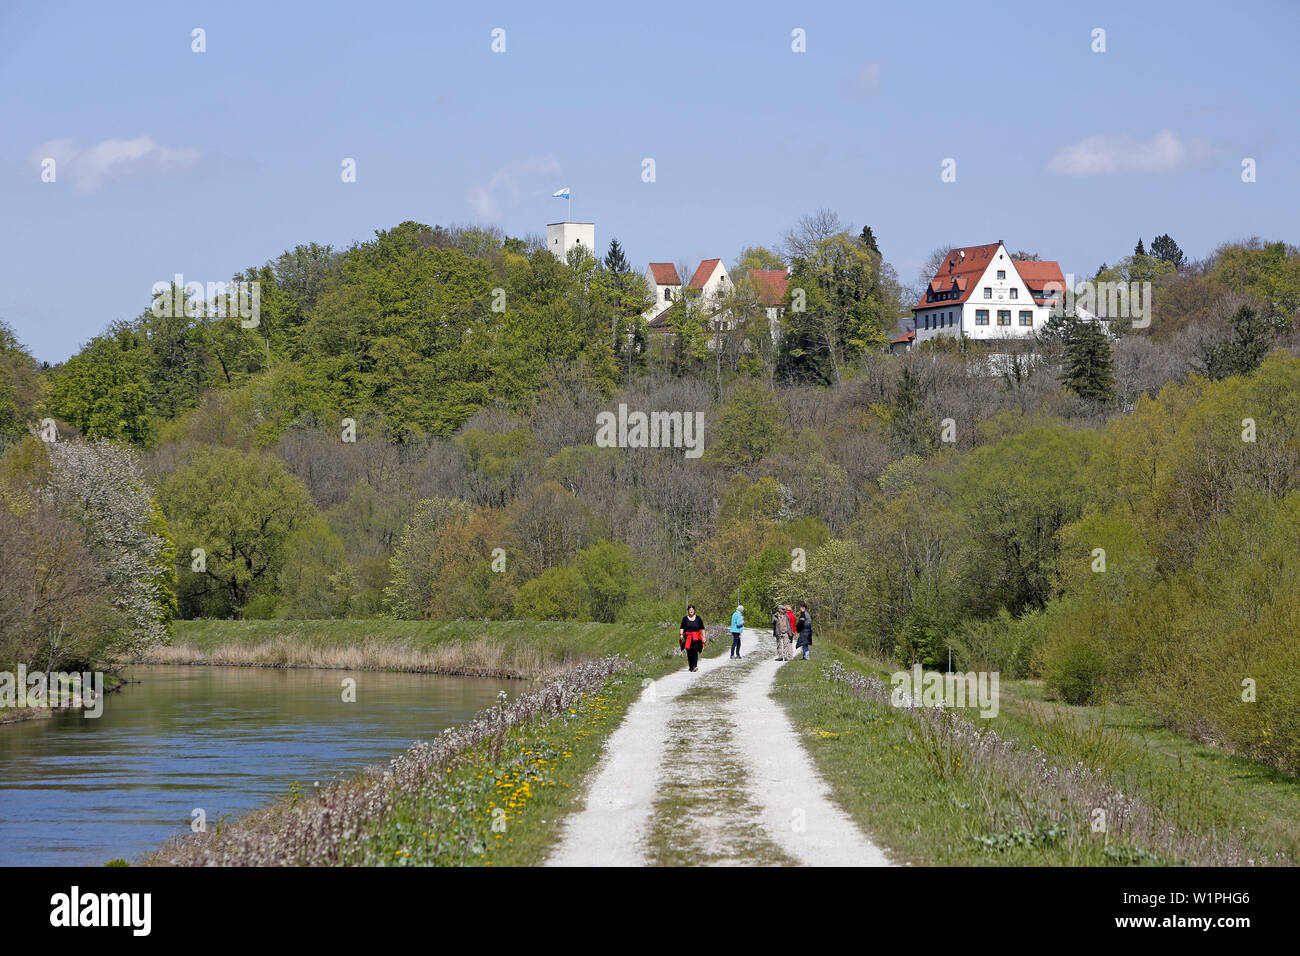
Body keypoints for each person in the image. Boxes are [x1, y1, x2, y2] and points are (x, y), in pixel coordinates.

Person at [680, 605, 706, 672]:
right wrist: (681, 635)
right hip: (688, 637)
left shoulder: (698, 618)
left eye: (692, 609)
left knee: (695, 650)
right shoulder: (685, 619)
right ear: (688, 611)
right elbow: (682, 627)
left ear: (694, 610)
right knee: (689, 651)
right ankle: (691, 666)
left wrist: (704, 637)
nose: (691, 611)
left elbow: (702, 628)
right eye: (690, 610)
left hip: (696, 637)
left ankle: (695, 666)